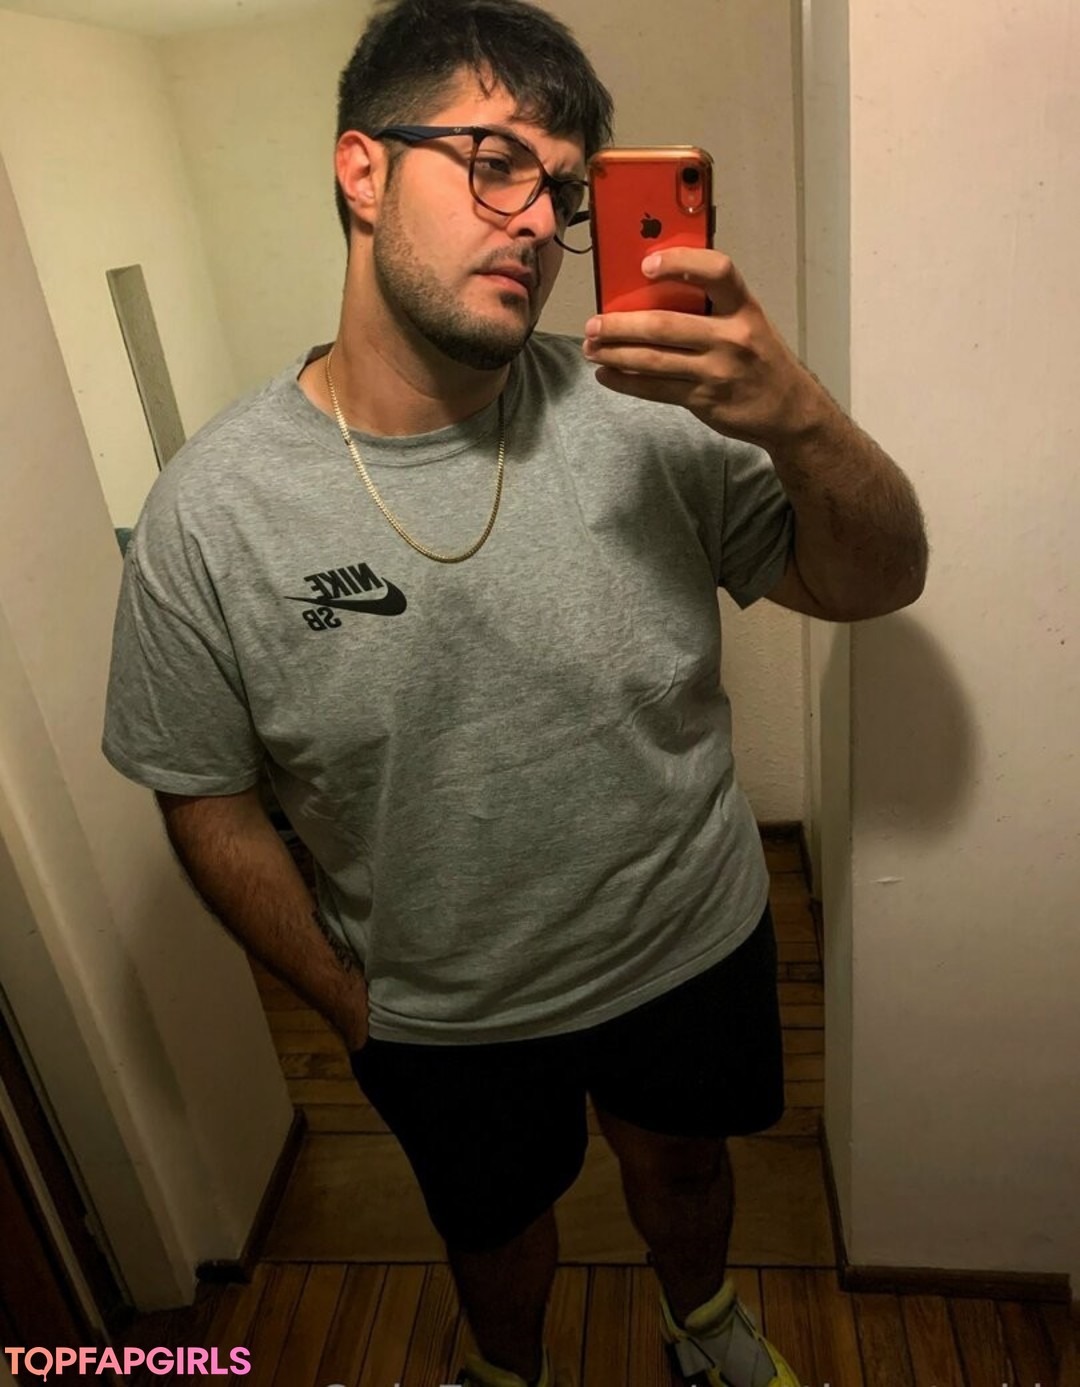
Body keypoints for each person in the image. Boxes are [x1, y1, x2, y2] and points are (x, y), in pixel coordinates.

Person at [102, 1, 928, 1384]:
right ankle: (506, 1372)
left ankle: (705, 1326)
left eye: (563, 188)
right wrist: (351, 1001)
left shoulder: (651, 413)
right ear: (361, 170)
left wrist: (795, 413)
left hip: (692, 940)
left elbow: (880, 578)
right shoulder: (212, 513)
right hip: (443, 1012)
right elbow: (204, 795)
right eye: (494, 164)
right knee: (491, 1230)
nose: (539, 222)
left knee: (688, 1170)